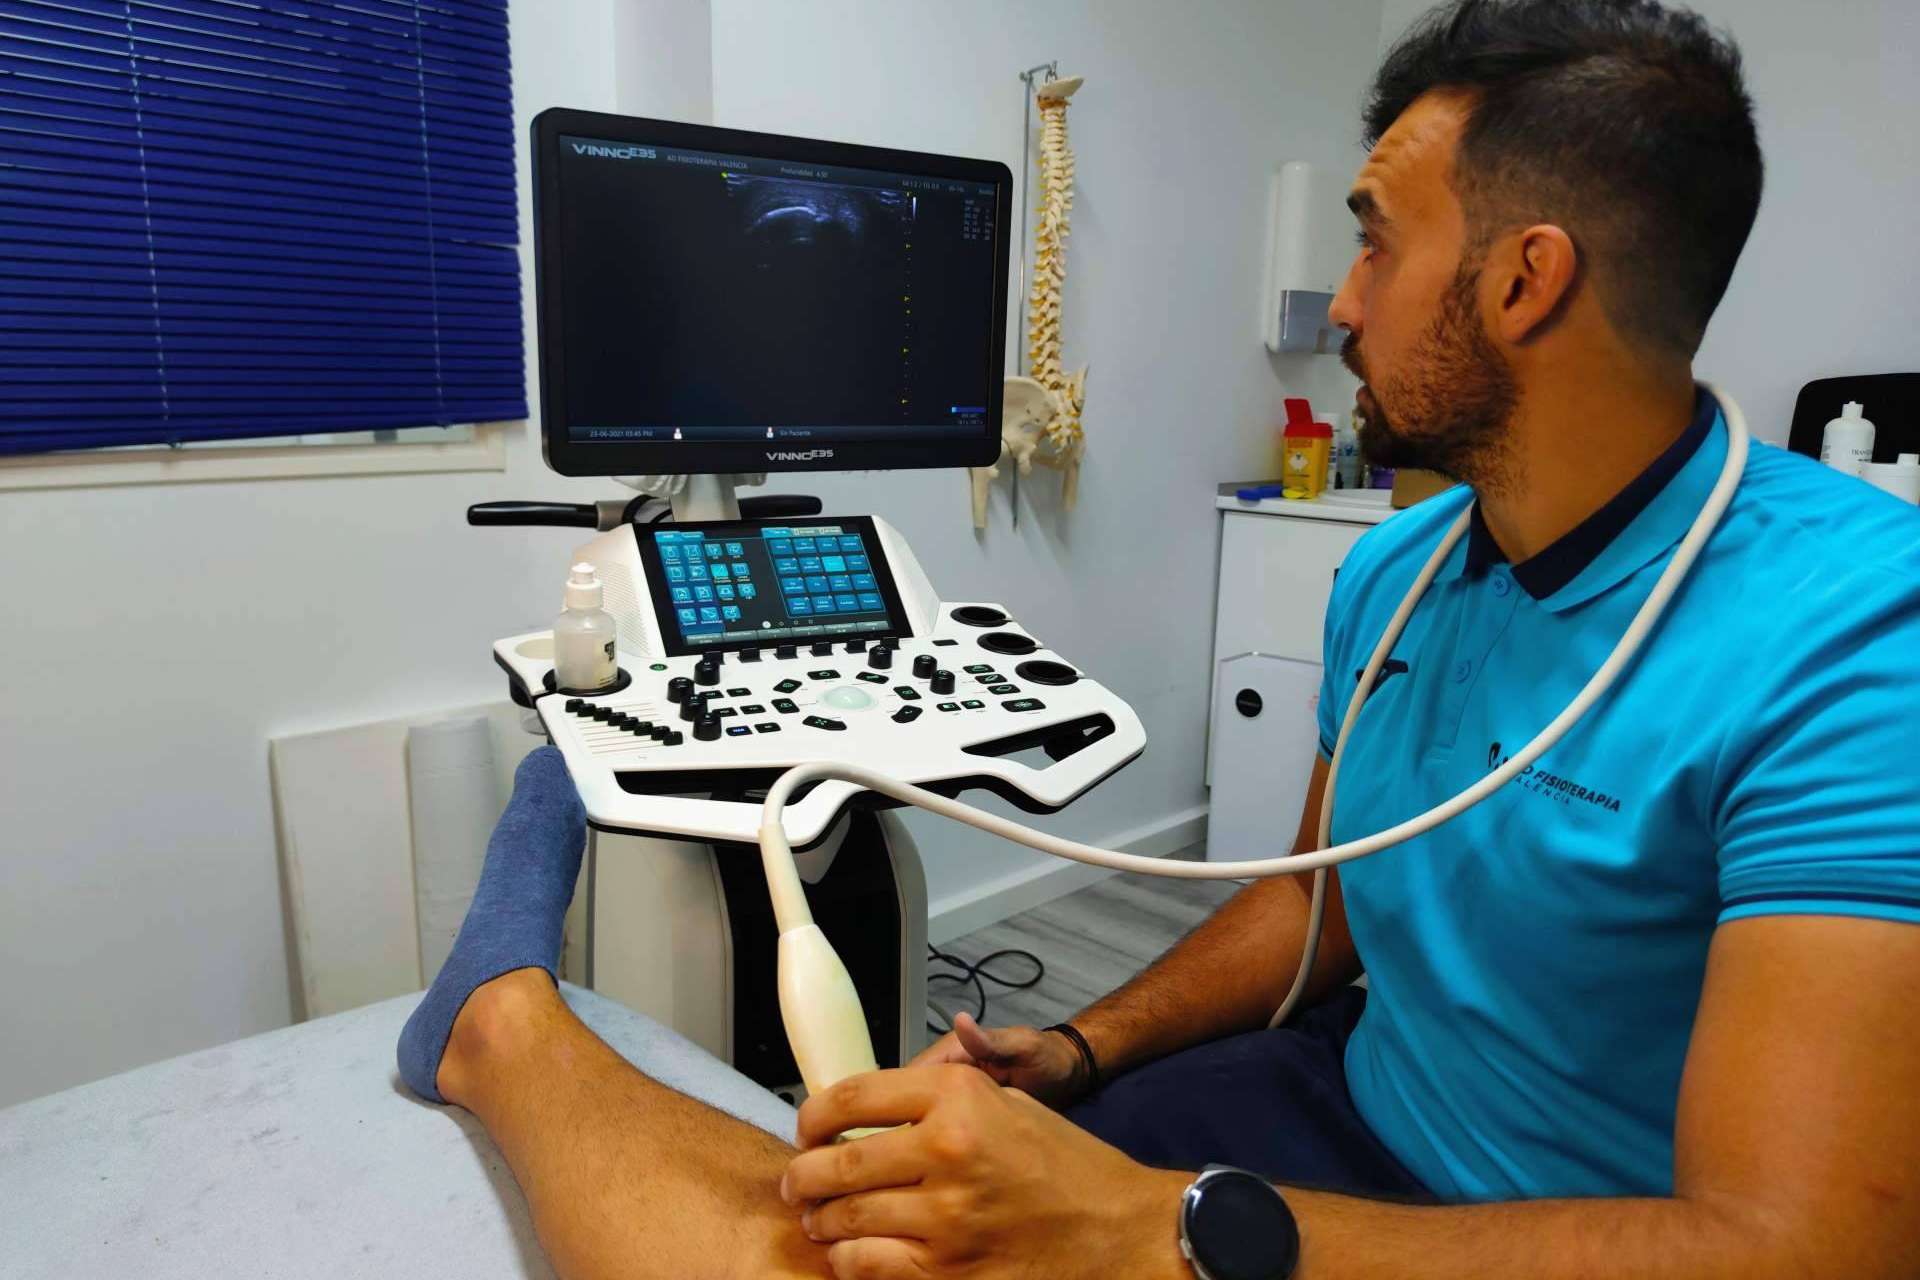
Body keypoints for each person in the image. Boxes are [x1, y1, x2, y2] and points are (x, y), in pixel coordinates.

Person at [397, 2, 1920, 1276]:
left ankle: (501, 1024)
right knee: (881, 1220)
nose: (1345, 305)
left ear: (1526, 281)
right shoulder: (1400, 570)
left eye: (1377, 247)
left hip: (1542, 1233)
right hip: (1334, 1101)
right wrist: (1081, 1051)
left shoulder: (1857, 643)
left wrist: (1155, 1226)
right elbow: (1319, 904)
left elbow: (1802, 1251)